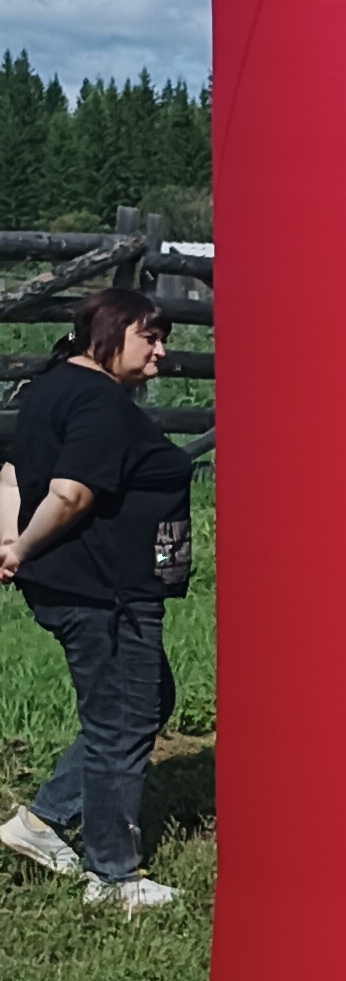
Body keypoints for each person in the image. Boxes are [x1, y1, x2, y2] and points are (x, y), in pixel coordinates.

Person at [0, 286, 194, 914]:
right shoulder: (99, 401)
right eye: (150, 338)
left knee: (147, 702)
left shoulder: (48, 388)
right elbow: (69, 493)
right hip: (103, 592)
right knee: (120, 723)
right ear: (107, 334)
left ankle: (44, 821)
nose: (161, 353)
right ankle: (112, 876)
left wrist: (8, 539)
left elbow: (11, 473)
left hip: (83, 585)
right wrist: (20, 548)